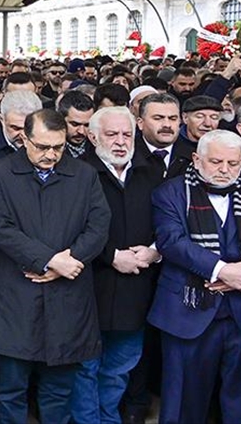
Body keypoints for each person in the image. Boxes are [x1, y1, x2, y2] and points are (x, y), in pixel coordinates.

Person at [0, 109, 111, 424]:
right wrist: (51, 260)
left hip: (68, 297)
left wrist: (71, 261)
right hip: (16, 297)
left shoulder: (83, 174)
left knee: (58, 391)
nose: (50, 155)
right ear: (23, 139)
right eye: (42, 147)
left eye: (58, 146)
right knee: (11, 389)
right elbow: (1, 229)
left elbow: (99, 225)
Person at [148, 130, 241, 424]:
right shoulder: (169, 192)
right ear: (196, 158)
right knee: (183, 405)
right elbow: (171, 242)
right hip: (187, 313)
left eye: (233, 163)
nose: (224, 170)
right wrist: (223, 271)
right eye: (216, 161)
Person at [69, 106, 161, 424]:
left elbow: (168, 223)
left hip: (135, 290)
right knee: (85, 369)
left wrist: (154, 251)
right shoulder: (76, 172)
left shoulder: (150, 172)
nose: (121, 142)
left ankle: (108, 419)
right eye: (112, 135)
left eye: (127, 135)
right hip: (88, 288)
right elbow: (67, 230)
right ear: (93, 137)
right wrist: (110, 256)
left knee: (119, 368)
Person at [134, 93, 192, 180]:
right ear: (140, 123)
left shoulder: (192, 156)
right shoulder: (127, 155)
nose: (167, 125)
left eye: (172, 119)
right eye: (158, 118)